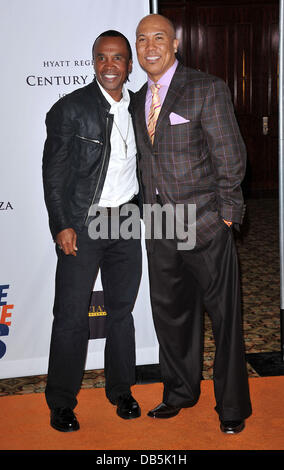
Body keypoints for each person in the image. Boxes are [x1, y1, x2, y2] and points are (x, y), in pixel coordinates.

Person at [134, 14, 252, 434]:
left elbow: (231, 158)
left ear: (176, 43)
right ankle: (180, 391)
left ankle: (233, 406)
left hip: (205, 224)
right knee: (171, 317)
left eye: (159, 37)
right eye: (142, 39)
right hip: (161, 228)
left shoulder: (206, 87)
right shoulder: (135, 100)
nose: (150, 46)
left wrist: (227, 216)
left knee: (225, 319)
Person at [42, 30, 142, 432]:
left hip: (127, 219)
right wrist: (62, 224)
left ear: (129, 65)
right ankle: (61, 402)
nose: (110, 66)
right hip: (84, 223)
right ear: (94, 62)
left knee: (122, 312)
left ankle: (122, 391)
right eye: (102, 58)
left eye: (118, 58)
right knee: (70, 316)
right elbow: (54, 174)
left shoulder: (141, 107)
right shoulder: (70, 108)